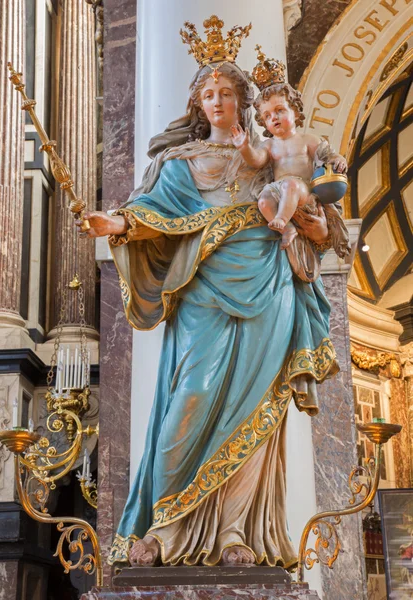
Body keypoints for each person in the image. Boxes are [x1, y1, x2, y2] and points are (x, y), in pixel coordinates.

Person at [77, 16, 340, 568]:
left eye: (227, 91)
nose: (217, 99)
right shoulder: (179, 164)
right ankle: (166, 529)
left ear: (243, 101)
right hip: (203, 291)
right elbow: (148, 215)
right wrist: (115, 225)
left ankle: (235, 535)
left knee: (254, 417)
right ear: (197, 104)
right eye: (208, 92)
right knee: (189, 398)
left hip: (269, 287)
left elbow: (323, 226)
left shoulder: (271, 156)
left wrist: (309, 222)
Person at [231, 46, 349, 261]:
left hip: (303, 191)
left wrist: (338, 160)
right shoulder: (269, 145)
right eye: (267, 116)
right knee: (264, 200)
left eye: (280, 110)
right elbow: (256, 161)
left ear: (295, 110)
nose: (273, 118)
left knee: (291, 185)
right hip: (279, 190)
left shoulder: (307, 140)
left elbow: (328, 155)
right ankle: (286, 229)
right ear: (263, 122)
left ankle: (282, 219)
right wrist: (244, 147)